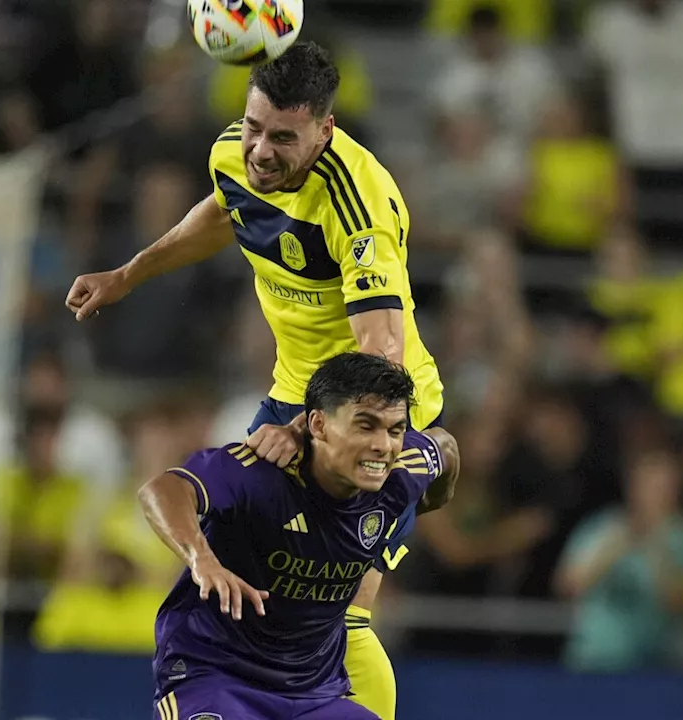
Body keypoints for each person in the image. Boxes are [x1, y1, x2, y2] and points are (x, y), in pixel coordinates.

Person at [67, 41, 445, 719]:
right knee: (254, 593)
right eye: (255, 128)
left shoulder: (357, 206)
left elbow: (382, 353)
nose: (262, 151)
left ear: (325, 131)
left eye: (284, 138)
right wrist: (128, 274)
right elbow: (222, 213)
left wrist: (311, 432)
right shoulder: (235, 153)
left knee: (342, 613)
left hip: (369, 412)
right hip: (293, 398)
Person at [138, 353, 460, 720]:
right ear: (318, 425)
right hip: (217, 677)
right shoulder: (264, 472)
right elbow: (162, 491)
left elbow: (444, 447)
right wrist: (202, 558)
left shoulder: (401, 473)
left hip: (313, 695)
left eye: (395, 429)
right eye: (365, 426)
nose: (383, 445)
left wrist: (433, 498)